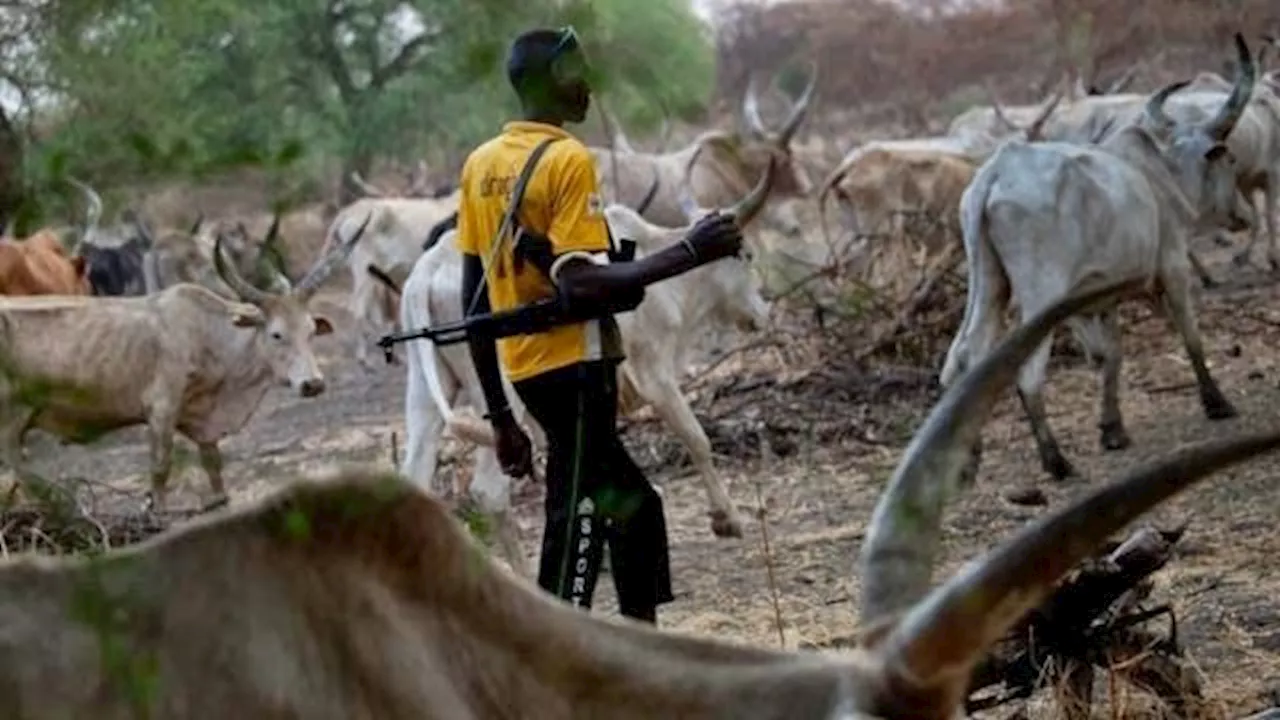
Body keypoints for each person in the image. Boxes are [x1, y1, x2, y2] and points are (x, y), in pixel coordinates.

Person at [454, 26, 746, 624]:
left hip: (532, 372)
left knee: (629, 508)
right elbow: (580, 285)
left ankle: (632, 647)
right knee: (582, 518)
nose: (588, 84)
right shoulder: (565, 159)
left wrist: (503, 416)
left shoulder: (481, 166)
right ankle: (566, 647)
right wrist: (692, 250)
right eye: (576, 71)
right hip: (577, 368)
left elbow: (474, 302)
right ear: (547, 82)